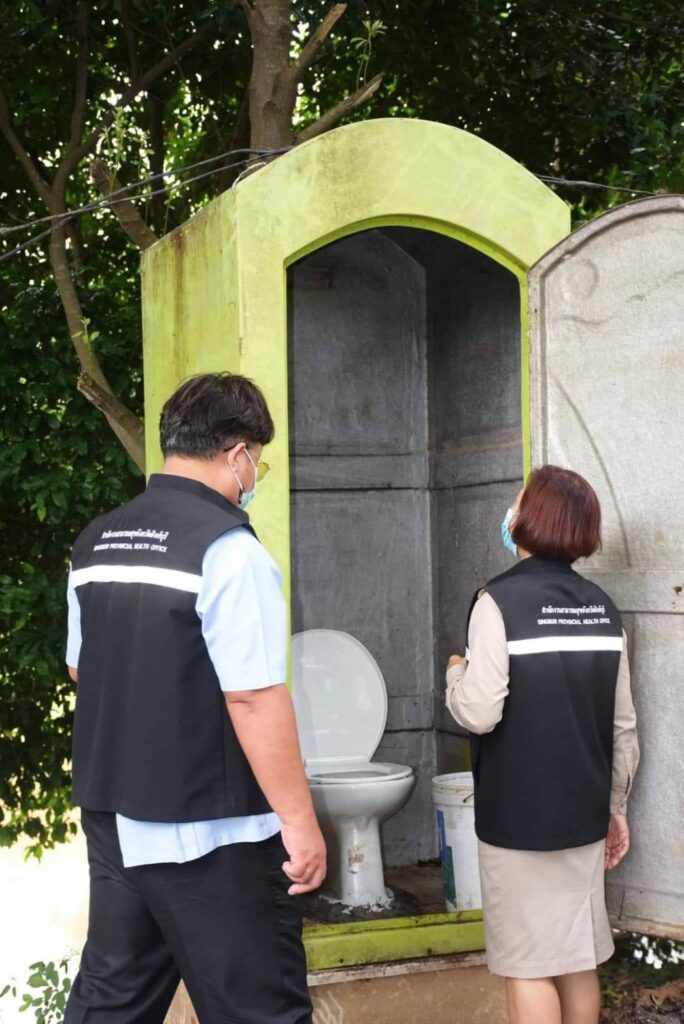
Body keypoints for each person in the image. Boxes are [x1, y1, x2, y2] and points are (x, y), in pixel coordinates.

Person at [64, 372, 325, 1024]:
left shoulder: (97, 540)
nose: (255, 473)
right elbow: (253, 698)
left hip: (114, 815)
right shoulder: (228, 551)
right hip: (214, 832)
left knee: (114, 1002)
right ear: (237, 454)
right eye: (257, 459)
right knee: (260, 1008)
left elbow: (80, 668)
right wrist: (299, 823)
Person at [446, 465, 639, 1024]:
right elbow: (623, 724)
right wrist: (616, 807)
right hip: (584, 813)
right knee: (576, 959)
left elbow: (480, 711)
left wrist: (455, 674)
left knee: (527, 966)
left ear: (532, 518)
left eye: (519, 500)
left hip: (519, 820)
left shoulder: (498, 602)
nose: (511, 510)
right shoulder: (602, 608)